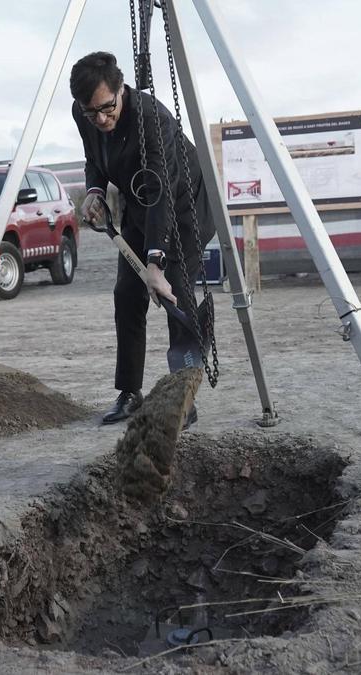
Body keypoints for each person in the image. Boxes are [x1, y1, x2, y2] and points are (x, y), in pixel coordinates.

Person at [69, 51, 215, 426]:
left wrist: (155, 263)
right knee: (126, 294)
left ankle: (184, 397)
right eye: (91, 113)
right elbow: (93, 160)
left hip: (183, 206)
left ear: (121, 90)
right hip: (138, 203)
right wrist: (95, 191)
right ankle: (129, 392)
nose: (100, 119)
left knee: (174, 290)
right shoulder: (84, 114)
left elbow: (163, 192)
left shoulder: (152, 118)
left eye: (106, 108)